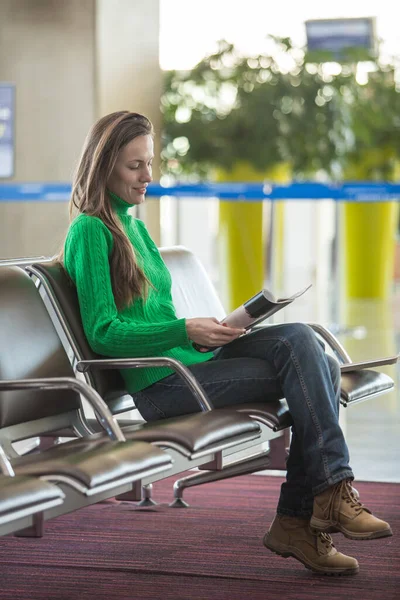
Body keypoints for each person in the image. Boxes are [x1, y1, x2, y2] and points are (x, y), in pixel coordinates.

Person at [63, 110, 392, 577]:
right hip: (163, 386)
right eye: (135, 165)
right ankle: (317, 504)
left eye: (151, 163)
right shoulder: (90, 231)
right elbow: (103, 333)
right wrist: (183, 331)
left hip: (190, 364)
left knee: (302, 341)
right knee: (312, 368)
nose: (148, 176)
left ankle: (316, 506)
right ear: (104, 164)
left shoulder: (134, 228)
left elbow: (155, 318)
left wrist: (209, 332)